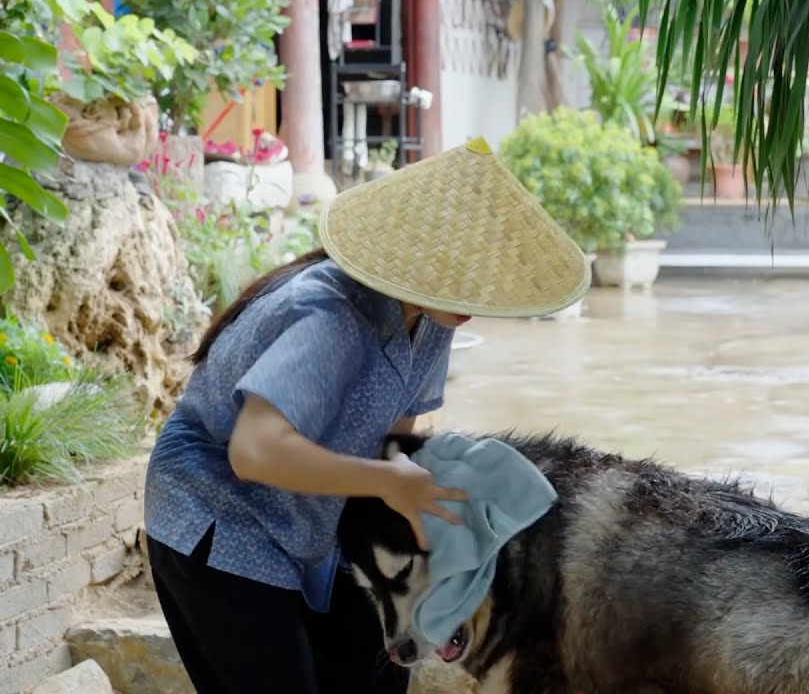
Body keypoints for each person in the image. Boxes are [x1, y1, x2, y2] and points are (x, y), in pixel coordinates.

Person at [142, 137, 590, 694]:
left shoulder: (432, 320)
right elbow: (254, 450)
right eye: (459, 273)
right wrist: (385, 480)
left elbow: (395, 442)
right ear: (414, 259)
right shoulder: (331, 314)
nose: (473, 295)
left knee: (376, 676)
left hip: (314, 518)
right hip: (218, 515)